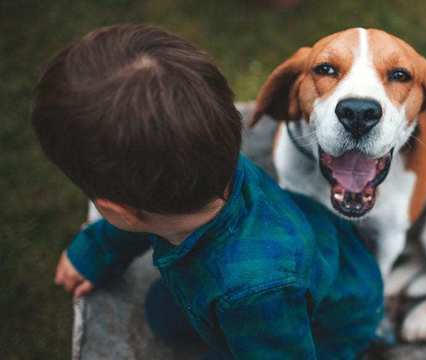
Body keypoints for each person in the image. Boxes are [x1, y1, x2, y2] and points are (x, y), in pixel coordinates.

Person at [33, 24, 383, 359]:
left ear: (116, 210)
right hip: (306, 269)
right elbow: (137, 214)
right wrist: (94, 252)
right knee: (162, 315)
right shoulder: (205, 157)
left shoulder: (255, 292)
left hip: (329, 327)